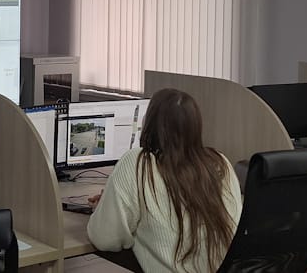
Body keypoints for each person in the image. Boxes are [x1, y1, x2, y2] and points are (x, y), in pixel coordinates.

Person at [86, 88, 242, 273]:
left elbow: (105, 239)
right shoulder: (220, 163)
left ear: (150, 122)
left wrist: (104, 212)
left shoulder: (139, 162)